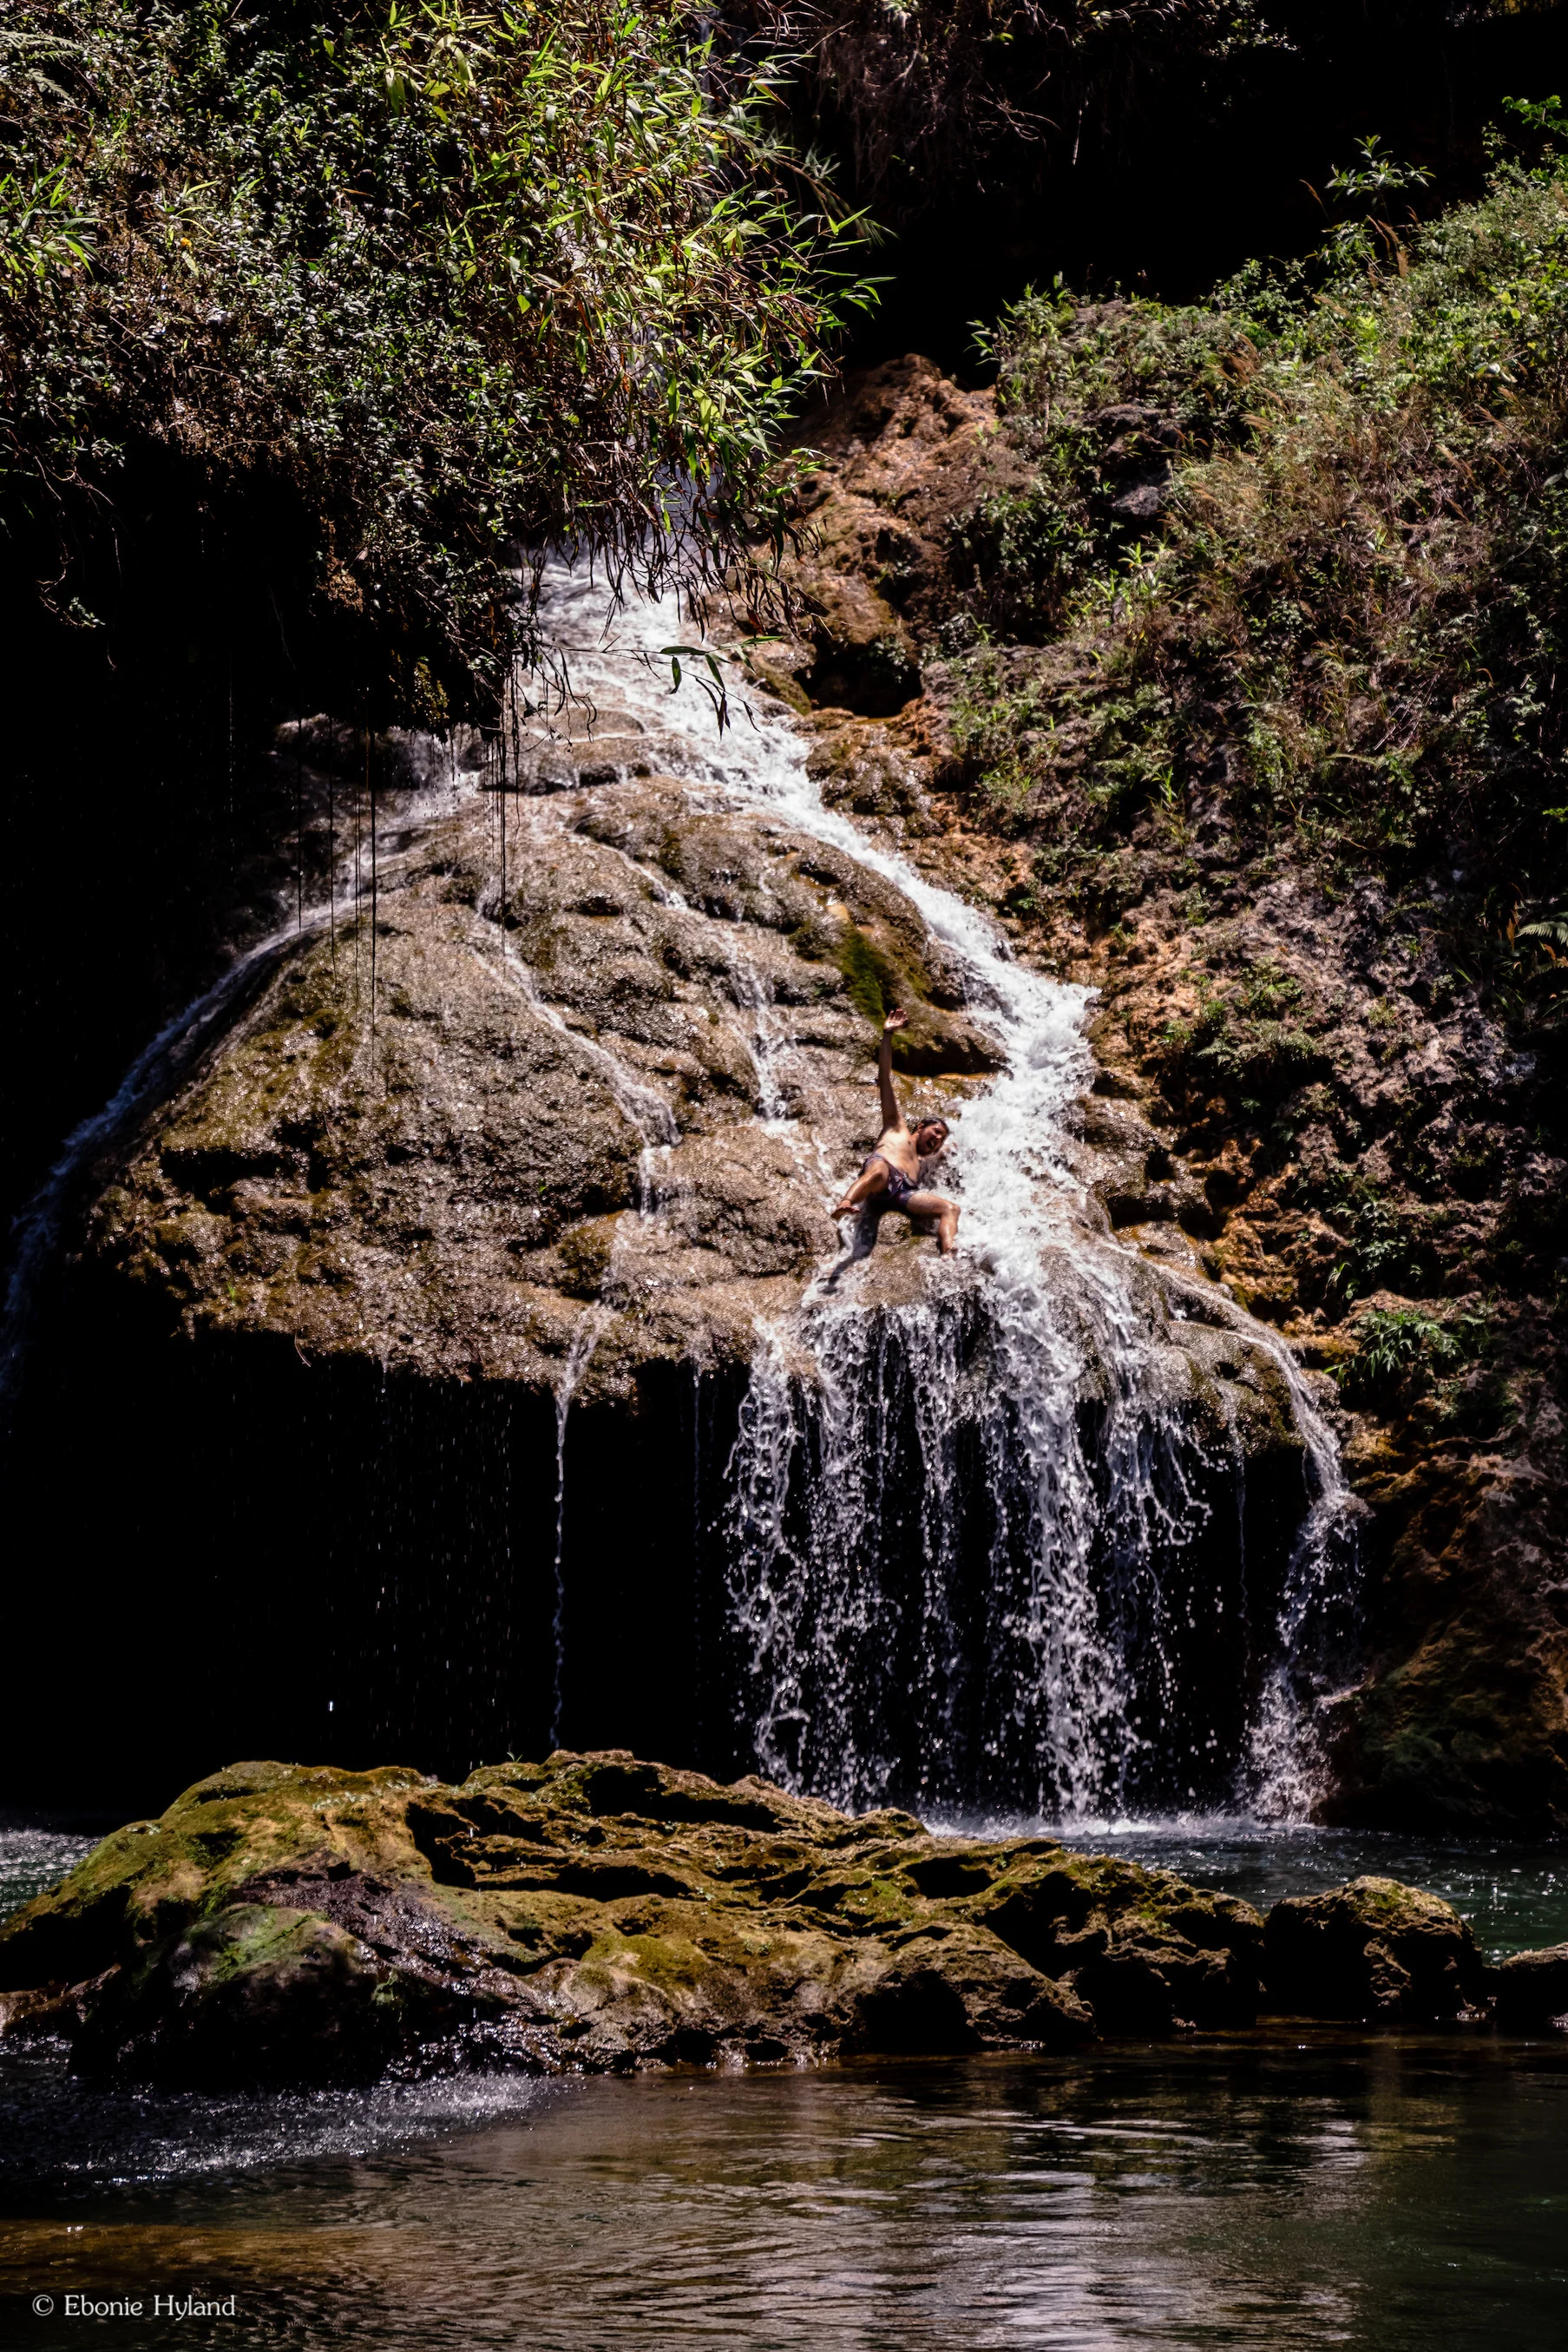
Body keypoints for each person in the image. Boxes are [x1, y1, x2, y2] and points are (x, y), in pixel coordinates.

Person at [830, 1008, 961, 1253]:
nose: (937, 1139)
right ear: (920, 1127)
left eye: (941, 1139)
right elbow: (885, 1079)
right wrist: (888, 1035)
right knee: (878, 1171)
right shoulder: (895, 1125)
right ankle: (845, 1203)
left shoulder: (925, 1160)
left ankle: (949, 1253)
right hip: (883, 1173)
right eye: (935, 1132)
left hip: (905, 1194)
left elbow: (954, 1150)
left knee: (951, 1208)